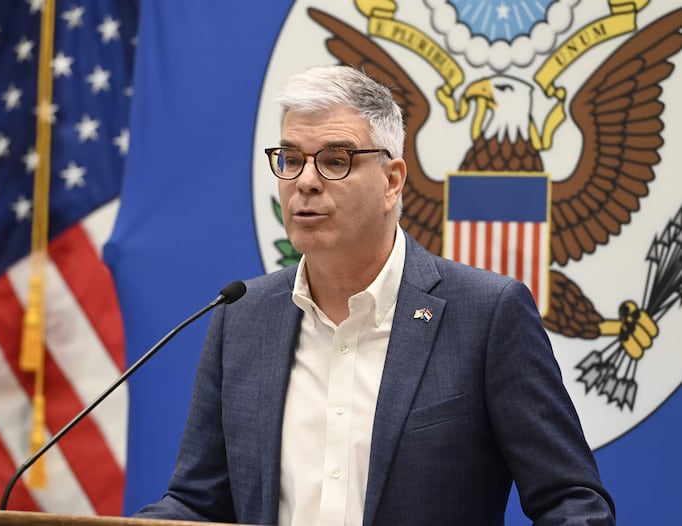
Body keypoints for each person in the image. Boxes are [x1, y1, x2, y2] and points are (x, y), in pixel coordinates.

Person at [134, 65, 615, 525]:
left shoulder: (486, 315)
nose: (305, 182)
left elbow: (572, 502)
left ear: (392, 181)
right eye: (291, 159)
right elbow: (197, 505)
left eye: (335, 161)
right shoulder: (242, 318)